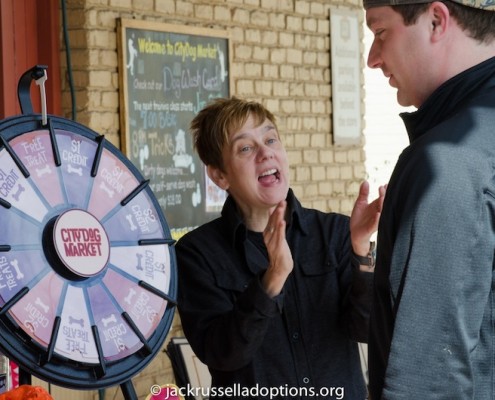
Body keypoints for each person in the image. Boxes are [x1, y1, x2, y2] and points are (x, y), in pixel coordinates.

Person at [175, 96, 386, 399]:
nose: (265, 153)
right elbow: (223, 354)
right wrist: (271, 281)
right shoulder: (197, 254)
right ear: (219, 175)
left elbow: (366, 330)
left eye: (271, 139)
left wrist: (361, 250)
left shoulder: (335, 233)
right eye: (245, 147)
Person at [363, 0, 495, 398]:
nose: (372, 58)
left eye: (380, 31)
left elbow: (429, 380)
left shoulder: (446, 162)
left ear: (436, 20)